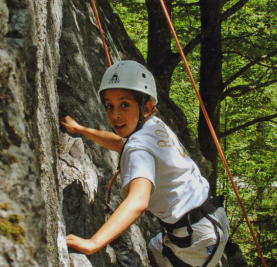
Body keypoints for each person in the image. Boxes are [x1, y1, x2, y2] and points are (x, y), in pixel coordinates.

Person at [61, 60, 229, 267]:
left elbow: (138, 201)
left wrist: (93, 243)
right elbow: (120, 143)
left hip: (196, 238)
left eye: (124, 105)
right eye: (109, 106)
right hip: (208, 218)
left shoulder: (138, 146)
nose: (115, 115)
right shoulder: (153, 125)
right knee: (154, 249)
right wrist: (80, 129)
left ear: (146, 107)